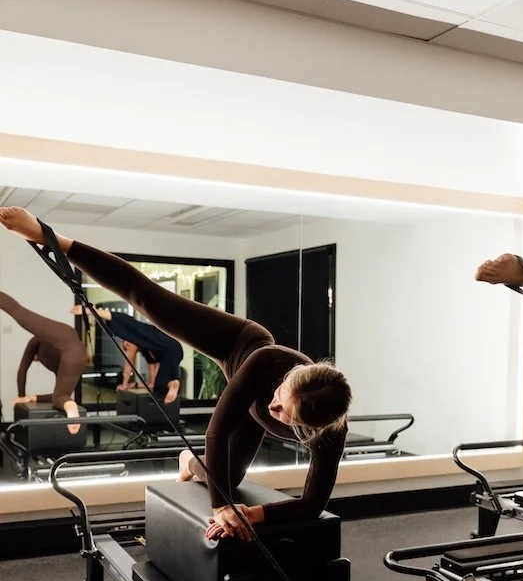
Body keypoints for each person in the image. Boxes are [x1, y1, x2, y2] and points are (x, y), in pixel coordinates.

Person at [0, 207, 352, 541]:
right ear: (290, 376)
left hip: (252, 407)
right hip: (237, 344)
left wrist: (252, 514)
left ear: (314, 428)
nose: (273, 409)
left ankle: (186, 461)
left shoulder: (330, 433)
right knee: (148, 299)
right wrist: (221, 507)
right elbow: (216, 431)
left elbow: (312, 504)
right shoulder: (267, 361)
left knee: (226, 478)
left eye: (285, 414)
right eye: (280, 396)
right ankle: (50, 237)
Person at [0, 291, 87, 435]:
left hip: (66, 341)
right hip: (79, 351)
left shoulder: (35, 341)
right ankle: (71, 408)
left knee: (17, 311)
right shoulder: (60, 363)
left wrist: (21, 396)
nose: (37, 361)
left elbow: (22, 369)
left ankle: (71, 409)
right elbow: (58, 395)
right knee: (61, 397)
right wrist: (34, 398)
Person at [71, 305, 183, 402]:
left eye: (127, 345)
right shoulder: (149, 351)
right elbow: (152, 382)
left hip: (168, 345)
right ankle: (173, 383)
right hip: (174, 351)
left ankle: (91, 310)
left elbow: (129, 364)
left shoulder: (137, 340)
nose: (129, 348)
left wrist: (124, 385)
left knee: (131, 326)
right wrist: (136, 385)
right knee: (160, 387)